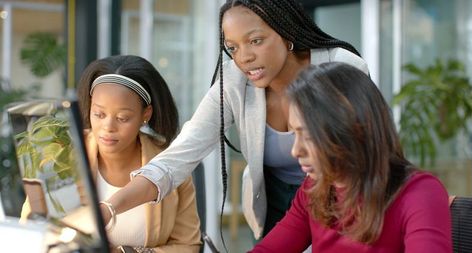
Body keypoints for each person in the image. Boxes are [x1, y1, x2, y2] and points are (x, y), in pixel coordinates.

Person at [100, 0, 369, 241]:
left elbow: (365, 155)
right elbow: (178, 156)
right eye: (233, 47)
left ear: (287, 34)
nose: (244, 57)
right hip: (274, 204)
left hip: (341, 200)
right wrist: (110, 207)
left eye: (255, 41)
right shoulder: (235, 80)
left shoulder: (342, 67)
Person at [248, 62, 452, 252]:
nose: (295, 151)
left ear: (350, 129)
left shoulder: (419, 193)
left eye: (309, 135)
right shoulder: (314, 190)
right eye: (295, 133)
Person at [76, 55, 202, 253]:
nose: (108, 127)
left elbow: (188, 246)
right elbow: (33, 227)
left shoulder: (170, 163)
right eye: (99, 114)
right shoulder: (65, 153)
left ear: (146, 114)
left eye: (122, 118)